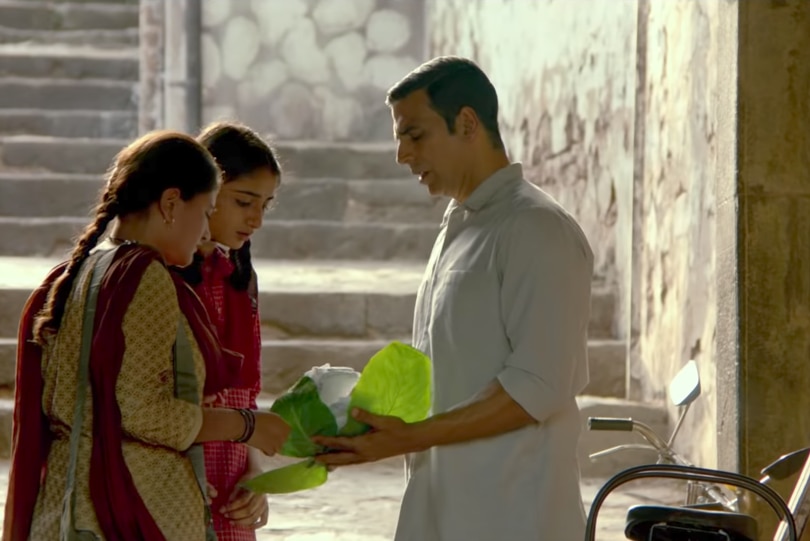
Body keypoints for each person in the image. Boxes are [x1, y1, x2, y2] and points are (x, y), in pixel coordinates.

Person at [314, 56, 594, 541]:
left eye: (415, 135)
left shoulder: (536, 228)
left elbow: (537, 388)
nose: (403, 155)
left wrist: (410, 438)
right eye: (399, 138)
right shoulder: (461, 224)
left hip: (512, 515)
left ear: (467, 123)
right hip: (441, 506)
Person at [3, 131, 290, 541]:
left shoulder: (83, 269)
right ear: (172, 203)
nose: (207, 229)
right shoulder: (146, 277)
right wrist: (245, 425)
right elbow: (144, 414)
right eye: (207, 211)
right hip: (123, 504)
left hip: (69, 497)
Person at [175, 121, 281, 539]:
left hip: (235, 469)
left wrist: (255, 478)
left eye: (266, 206)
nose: (255, 219)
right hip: (180, 462)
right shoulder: (166, 273)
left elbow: (247, 391)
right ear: (205, 191)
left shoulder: (239, 277)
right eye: (244, 201)